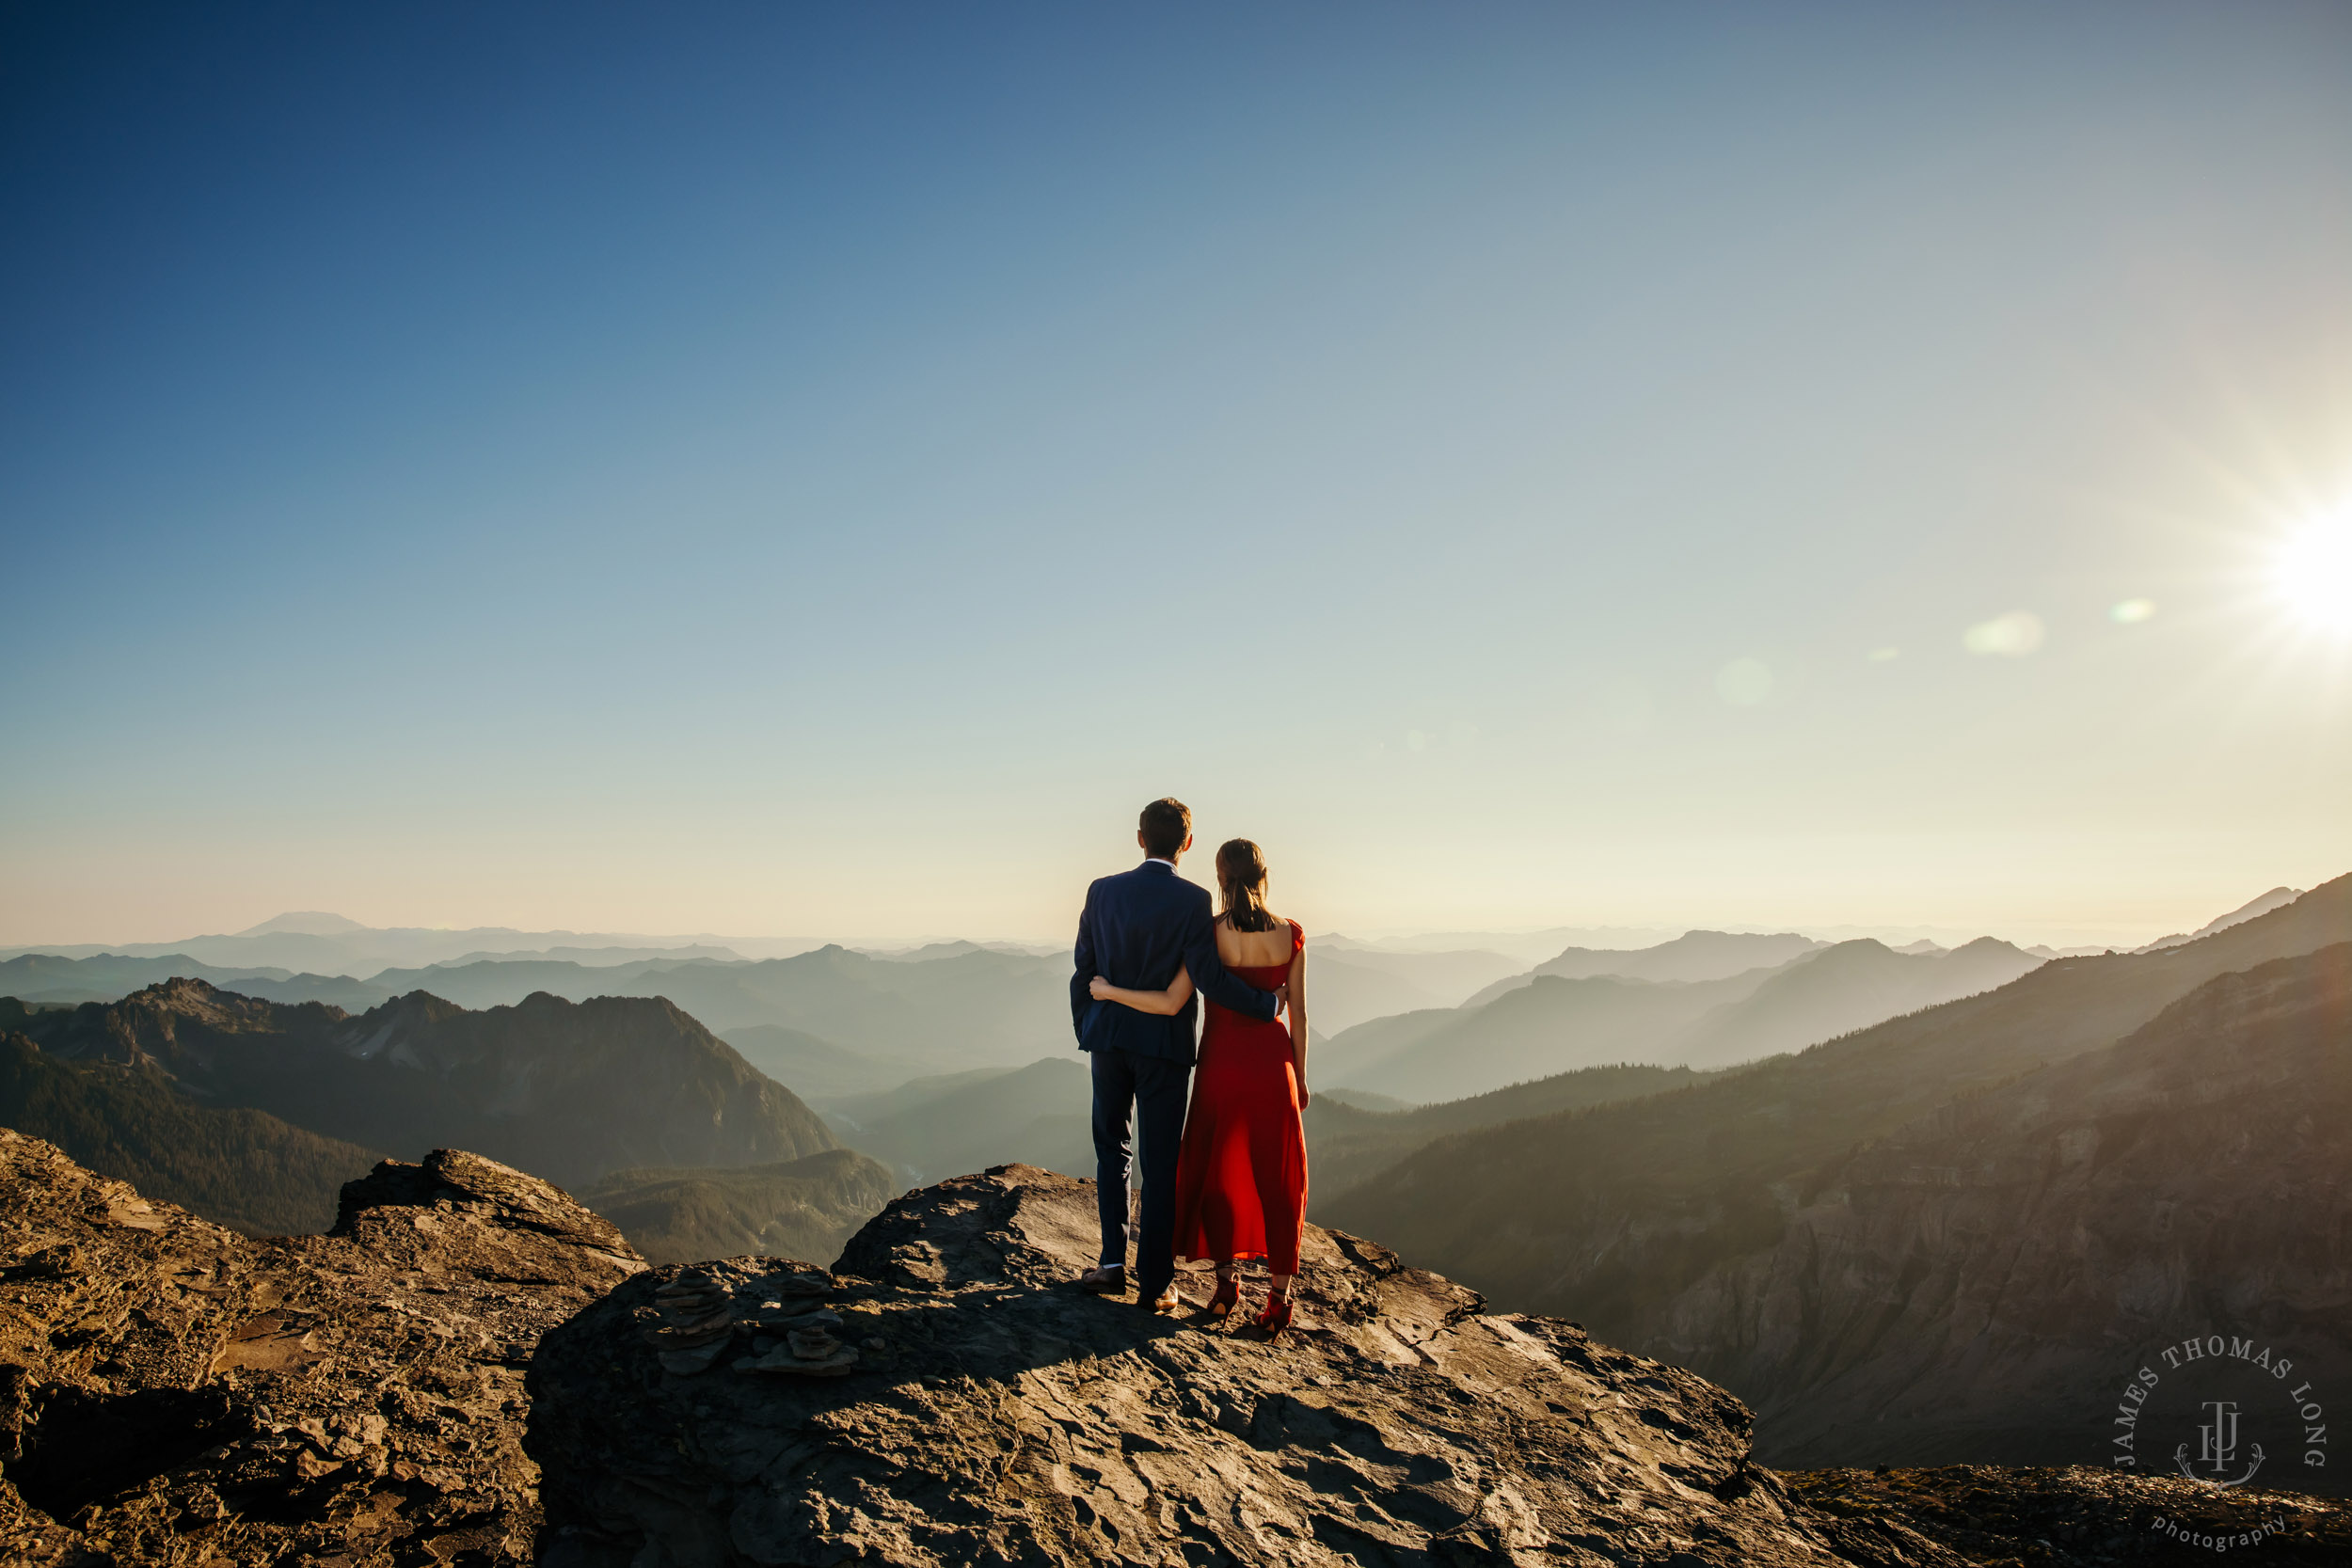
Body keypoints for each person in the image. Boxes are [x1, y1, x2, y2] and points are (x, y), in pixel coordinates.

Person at [1088, 837, 1308, 1337]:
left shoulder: (1210, 936)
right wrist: (1302, 1076)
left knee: (1217, 1173)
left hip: (1220, 1065)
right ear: (1263, 874)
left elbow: (1170, 1002)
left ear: (1221, 878)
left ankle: (1226, 1285)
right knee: (1279, 1178)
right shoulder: (1292, 935)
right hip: (1275, 1068)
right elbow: (1299, 1014)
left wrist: (1105, 992)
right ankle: (1278, 1299)